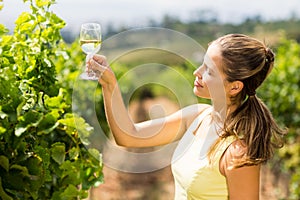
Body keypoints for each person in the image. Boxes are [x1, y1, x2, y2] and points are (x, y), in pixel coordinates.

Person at [87, 33, 286, 200]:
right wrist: (109, 84)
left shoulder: (237, 154)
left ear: (234, 87)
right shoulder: (198, 117)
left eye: (209, 70)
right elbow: (128, 135)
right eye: (202, 64)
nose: (196, 72)